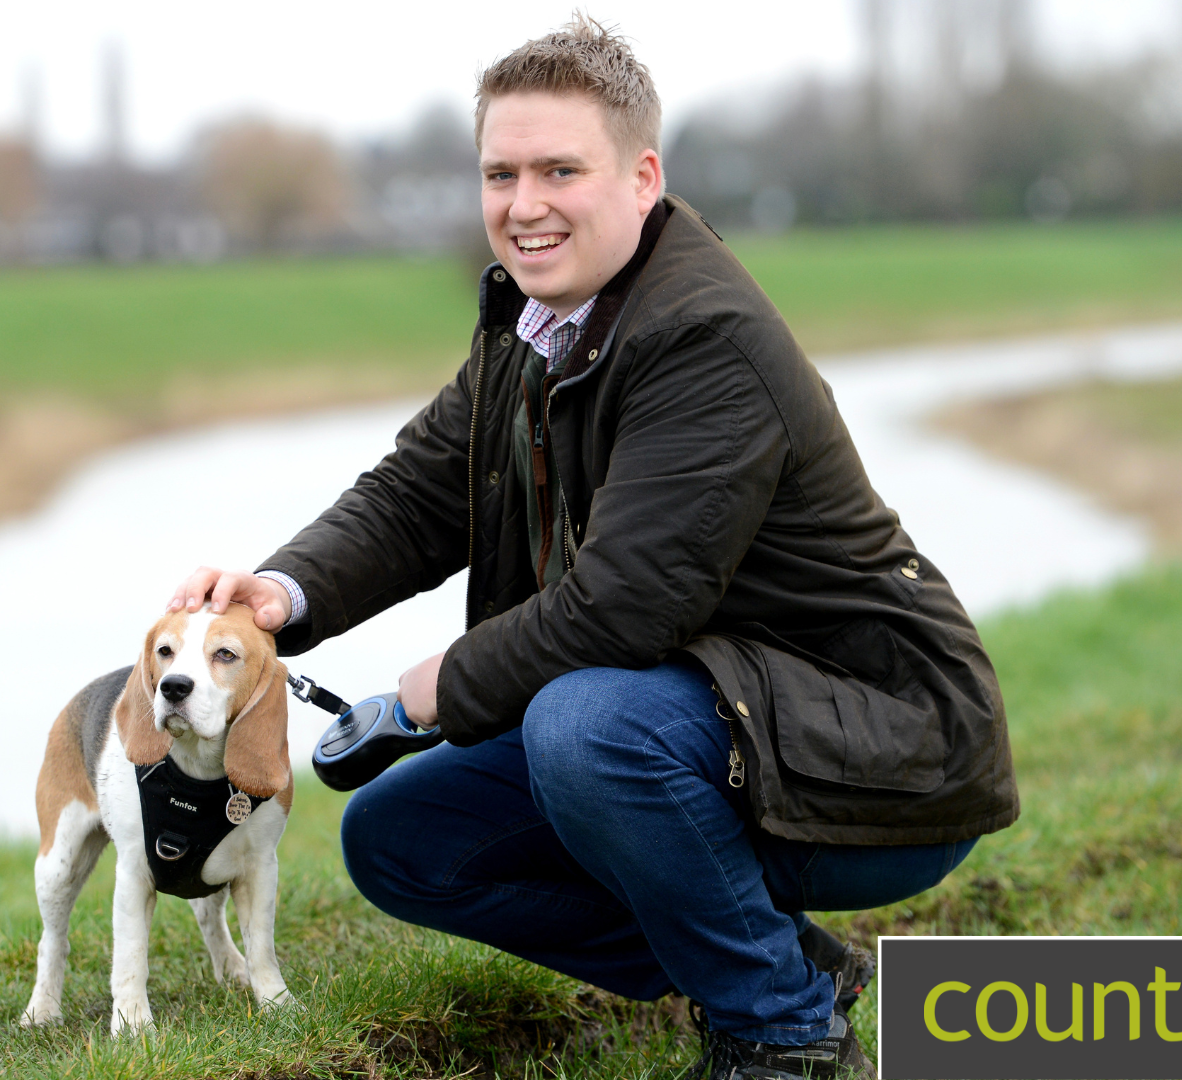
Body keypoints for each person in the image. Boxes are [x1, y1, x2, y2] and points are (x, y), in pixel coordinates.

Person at [167, 16, 1018, 1079]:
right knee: (403, 842)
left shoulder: (702, 340)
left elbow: (624, 606)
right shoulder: (539, 321)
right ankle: (765, 956)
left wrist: (441, 687)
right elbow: (418, 492)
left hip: (883, 749)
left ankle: (779, 1028)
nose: (525, 207)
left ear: (642, 175)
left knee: (582, 724)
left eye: (560, 170)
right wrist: (280, 593)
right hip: (719, 721)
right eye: (501, 173)